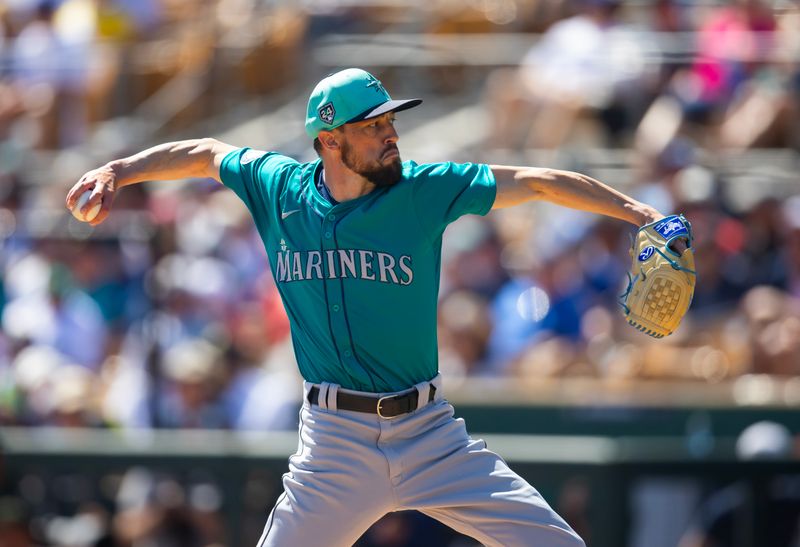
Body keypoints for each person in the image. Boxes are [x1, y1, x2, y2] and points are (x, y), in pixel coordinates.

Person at [66, 68, 668, 547]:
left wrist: (642, 216)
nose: (391, 134)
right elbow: (202, 151)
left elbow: (536, 181)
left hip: (430, 433)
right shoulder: (278, 188)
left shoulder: (423, 190)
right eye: (373, 125)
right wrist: (120, 170)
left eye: (391, 122)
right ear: (330, 140)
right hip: (334, 442)